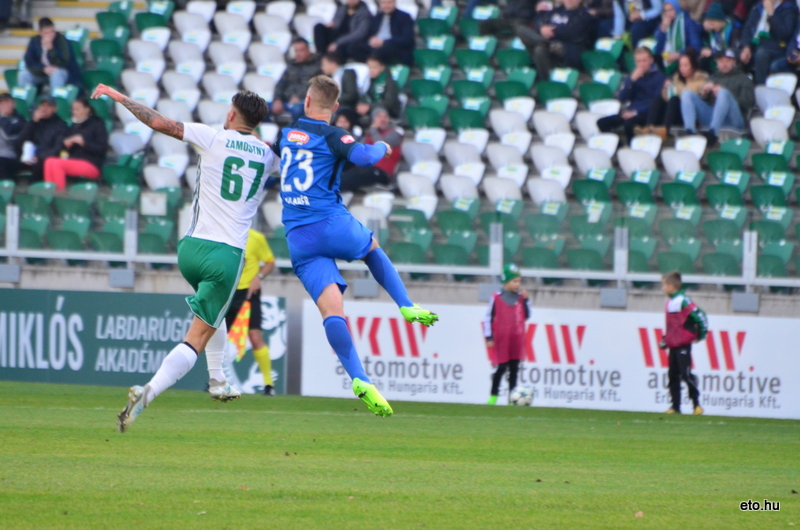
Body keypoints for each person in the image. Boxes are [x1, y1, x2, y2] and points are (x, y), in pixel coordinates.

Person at [91, 84, 279, 433]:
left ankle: (218, 380)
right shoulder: (268, 156)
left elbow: (159, 123)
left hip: (190, 249)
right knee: (197, 336)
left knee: (214, 312)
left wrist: (119, 96)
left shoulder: (212, 137)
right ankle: (148, 393)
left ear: (231, 113)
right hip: (225, 256)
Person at [275, 75, 438, 416]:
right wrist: (382, 147)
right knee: (371, 248)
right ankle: (406, 305)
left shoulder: (286, 134)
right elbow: (364, 157)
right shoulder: (333, 135)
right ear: (335, 107)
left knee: (332, 311)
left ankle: (360, 378)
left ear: (307, 102)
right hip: (329, 222)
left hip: (298, 237)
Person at [224, 228, 277, 396]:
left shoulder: (255, 237)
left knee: (255, 336)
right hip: (226, 292)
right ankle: (215, 379)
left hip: (248, 294)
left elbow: (270, 262)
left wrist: (258, 277)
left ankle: (268, 384)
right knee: (217, 338)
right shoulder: (223, 235)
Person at [680, 48, 754, 145]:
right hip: (713, 118)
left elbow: (748, 103)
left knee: (723, 93)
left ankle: (713, 134)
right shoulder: (713, 78)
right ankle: (690, 132)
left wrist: (727, 94)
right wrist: (704, 93)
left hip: (734, 120)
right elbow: (704, 102)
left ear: (734, 62)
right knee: (687, 94)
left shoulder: (744, 79)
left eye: (728, 61)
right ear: (717, 63)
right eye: (721, 61)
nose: (724, 64)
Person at [658, 271, 707, 415]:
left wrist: (701, 334)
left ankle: (696, 404)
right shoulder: (670, 303)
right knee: (672, 376)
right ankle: (675, 407)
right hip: (674, 345)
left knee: (685, 375)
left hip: (683, 345)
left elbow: (700, 316)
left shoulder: (683, 301)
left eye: (664, 285)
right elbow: (674, 326)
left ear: (671, 286)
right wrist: (666, 339)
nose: (663, 288)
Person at [483, 264, 531, 406]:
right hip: (502, 339)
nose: (518, 284)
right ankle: (493, 396)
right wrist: (489, 337)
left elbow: (527, 315)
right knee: (502, 367)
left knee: (514, 370)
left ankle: (511, 399)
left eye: (519, 281)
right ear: (506, 282)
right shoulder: (496, 298)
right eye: (514, 281)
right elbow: (488, 318)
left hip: (516, 339)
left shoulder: (521, 298)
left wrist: (526, 301)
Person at [597, 47, 666, 144]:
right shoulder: (633, 76)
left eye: (644, 61)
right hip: (631, 111)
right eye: (638, 61)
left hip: (648, 113)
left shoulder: (659, 77)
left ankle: (633, 147)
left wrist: (635, 112)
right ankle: (618, 146)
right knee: (602, 123)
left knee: (629, 124)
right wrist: (631, 80)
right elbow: (622, 98)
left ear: (651, 60)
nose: (641, 64)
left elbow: (656, 101)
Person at [42, 96, 108, 191]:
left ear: (87, 110)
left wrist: (84, 143)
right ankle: (49, 193)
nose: (74, 112)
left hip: (91, 163)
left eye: (77, 109)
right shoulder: (74, 126)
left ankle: (59, 194)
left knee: (57, 164)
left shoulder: (97, 125)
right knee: (49, 161)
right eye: (73, 109)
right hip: (74, 160)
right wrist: (65, 144)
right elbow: (64, 147)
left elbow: (101, 149)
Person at [641, 51, 707, 139]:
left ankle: (665, 130)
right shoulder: (677, 79)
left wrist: (675, 90)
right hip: (675, 114)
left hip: (690, 116)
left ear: (693, 66)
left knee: (674, 99)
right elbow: (666, 97)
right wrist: (666, 89)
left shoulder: (701, 80)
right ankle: (647, 128)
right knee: (658, 99)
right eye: (680, 66)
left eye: (685, 65)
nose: (682, 68)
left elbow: (689, 97)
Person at [526, 0, 594, 81]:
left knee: (539, 49)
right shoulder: (554, 12)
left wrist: (552, 31)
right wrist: (541, 29)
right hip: (547, 43)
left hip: (566, 48)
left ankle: (544, 80)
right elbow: (538, 22)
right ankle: (542, 43)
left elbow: (573, 31)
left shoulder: (584, 16)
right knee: (522, 31)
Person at [340, 107, 402, 192]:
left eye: (385, 117)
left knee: (351, 178)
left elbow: (380, 145)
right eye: (379, 117)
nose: (382, 119)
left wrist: (373, 129)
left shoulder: (394, 134)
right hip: (363, 169)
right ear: (373, 119)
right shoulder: (368, 136)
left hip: (381, 171)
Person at [739, 0, 798, 84]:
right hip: (757, 44)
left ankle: (761, 87)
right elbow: (748, 28)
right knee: (733, 55)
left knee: (761, 54)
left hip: (778, 47)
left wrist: (771, 12)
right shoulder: (758, 7)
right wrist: (746, 47)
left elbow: (783, 34)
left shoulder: (789, 9)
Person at [18, 17, 81, 91]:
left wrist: (51, 50)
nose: (50, 35)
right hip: (42, 72)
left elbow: (64, 62)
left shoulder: (61, 40)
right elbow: (29, 61)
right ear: (40, 32)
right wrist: (42, 69)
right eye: (46, 33)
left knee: (56, 73)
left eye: (52, 32)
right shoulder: (34, 41)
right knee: (23, 74)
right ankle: (27, 97)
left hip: (62, 71)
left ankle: (55, 97)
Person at [15, 96, 67, 180]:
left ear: (54, 109)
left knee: (39, 165)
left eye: (48, 106)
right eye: (42, 105)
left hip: (45, 159)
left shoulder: (60, 125)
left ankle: (34, 187)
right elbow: (20, 141)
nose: (44, 108)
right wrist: (33, 122)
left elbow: (58, 148)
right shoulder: (34, 122)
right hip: (28, 157)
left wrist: (39, 157)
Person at [272, 38, 321, 122]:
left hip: (305, 102)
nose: (298, 54)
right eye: (296, 51)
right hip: (286, 101)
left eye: (301, 50)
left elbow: (316, 88)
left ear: (308, 50)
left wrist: (299, 97)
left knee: (297, 110)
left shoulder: (317, 67)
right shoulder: (291, 66)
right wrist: (277, 99)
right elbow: (280, 84)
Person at [653, 0, 702, 72]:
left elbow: (696, 46)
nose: (668, 13)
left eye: (671, 9)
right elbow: (658, 49)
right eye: (666, 11)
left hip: (684, 57)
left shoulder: (687, 22)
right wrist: (663, 29)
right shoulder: (664, 24)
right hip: (669, 58)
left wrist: (679, 54)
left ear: (677, 8)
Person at [363, 0, 415, 67]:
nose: (386, 6)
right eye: (384, 3)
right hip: (376, 45)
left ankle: (375, 68)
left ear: (394, 3)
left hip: (395, 47)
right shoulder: (377, 17)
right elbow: (369, 34)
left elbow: (407, 39)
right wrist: (371, 40)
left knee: (379, 51)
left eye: (389, 3)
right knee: (354, 47)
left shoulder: (405, 17)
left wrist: (384, 42)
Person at [355, 54, 400, 121]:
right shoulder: (367, 80)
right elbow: (364, 95)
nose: (371, 70)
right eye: (369, 67)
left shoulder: (390, 82)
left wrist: (369, 107)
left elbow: (389, 102)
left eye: (374, 67)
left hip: (387, 111)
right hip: (370, 108)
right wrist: (361, 105)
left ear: (382, 67)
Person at [699, 2, 739, 71]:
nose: (711, 26)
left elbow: (734, 51)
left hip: (730, 62)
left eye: (713, 24)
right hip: (715, 61)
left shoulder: (733, 30)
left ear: (720, 20)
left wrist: (713, 52)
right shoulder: (712, 31)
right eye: (710, 24)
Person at [0, 92, 25, 177]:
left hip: (11, 157)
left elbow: (9, 134)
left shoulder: (20, 119)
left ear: (13, 103)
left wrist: (3, 117)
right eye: (2, 103)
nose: (4, 106)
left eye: (7, 102)